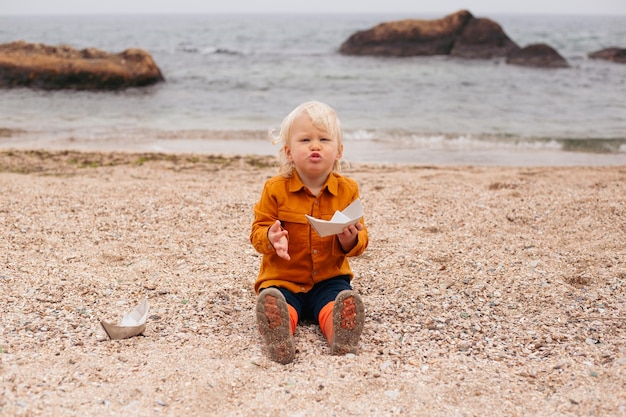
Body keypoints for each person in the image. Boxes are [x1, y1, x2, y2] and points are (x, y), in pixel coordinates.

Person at [250, 101, 368, 364]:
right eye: (305, 139)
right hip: (283, 277)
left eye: (324, 139)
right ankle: (279, 333)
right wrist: (270, 237)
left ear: (338, 150)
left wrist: (351, 240)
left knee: (334, 302)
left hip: (329, 278)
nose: (315, 145)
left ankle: (340, 334)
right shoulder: (275, 188)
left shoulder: (348, 189)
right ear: (289, 151)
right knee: (279, 301)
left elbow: (362, 240)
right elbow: (257, 232)